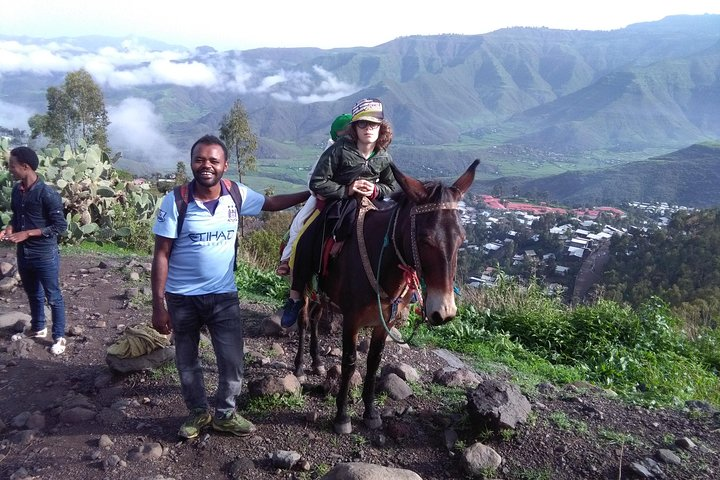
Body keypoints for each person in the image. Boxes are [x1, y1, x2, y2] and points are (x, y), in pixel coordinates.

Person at [151, 134, 310, 440]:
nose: (206, 165)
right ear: (191, 162)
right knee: (187, 361)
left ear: (224, 165)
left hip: (223, 296)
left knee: (232, 359)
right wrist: (159, 305)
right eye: (200, 159)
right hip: (182, 298)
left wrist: (310, 194)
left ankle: (225, 414)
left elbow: (271, 203)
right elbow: (161, 253)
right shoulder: (175, 201)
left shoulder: (234, 193)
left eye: (213, 160)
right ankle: (197, 413)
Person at [280, 98, 396, 328]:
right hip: (337, 205)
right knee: (306, 239)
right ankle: (295, 297)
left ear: (382, 127)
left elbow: (391, 187)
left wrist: (375, 190)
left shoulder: (384, 157)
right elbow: (317, 182)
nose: (369, 129)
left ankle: (402, 294)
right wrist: (347, 189)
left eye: (374, 124)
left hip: (370, 205)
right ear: (355, 127)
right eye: (363, 124)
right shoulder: (339, 151)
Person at [1, 146, 68, 355]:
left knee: (53, 296)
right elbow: (16, 216)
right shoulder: (16, 190)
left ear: (25, 166)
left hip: (44, 254)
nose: (10, 169)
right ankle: (38, 328)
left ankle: (59, 337)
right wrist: (10, 228)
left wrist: (28, 233)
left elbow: (60, 227)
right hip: (24, 253)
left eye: (12, 166)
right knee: (33, 293)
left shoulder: (47, 194)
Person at [275, 113, 353, 276]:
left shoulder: (366, 152)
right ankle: (287, 259)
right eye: (344, 133)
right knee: (299, 222)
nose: (348, 136)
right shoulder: (330, 152)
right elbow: (313, 179)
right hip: (327, 196)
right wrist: (327, 190)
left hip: (356, 197)